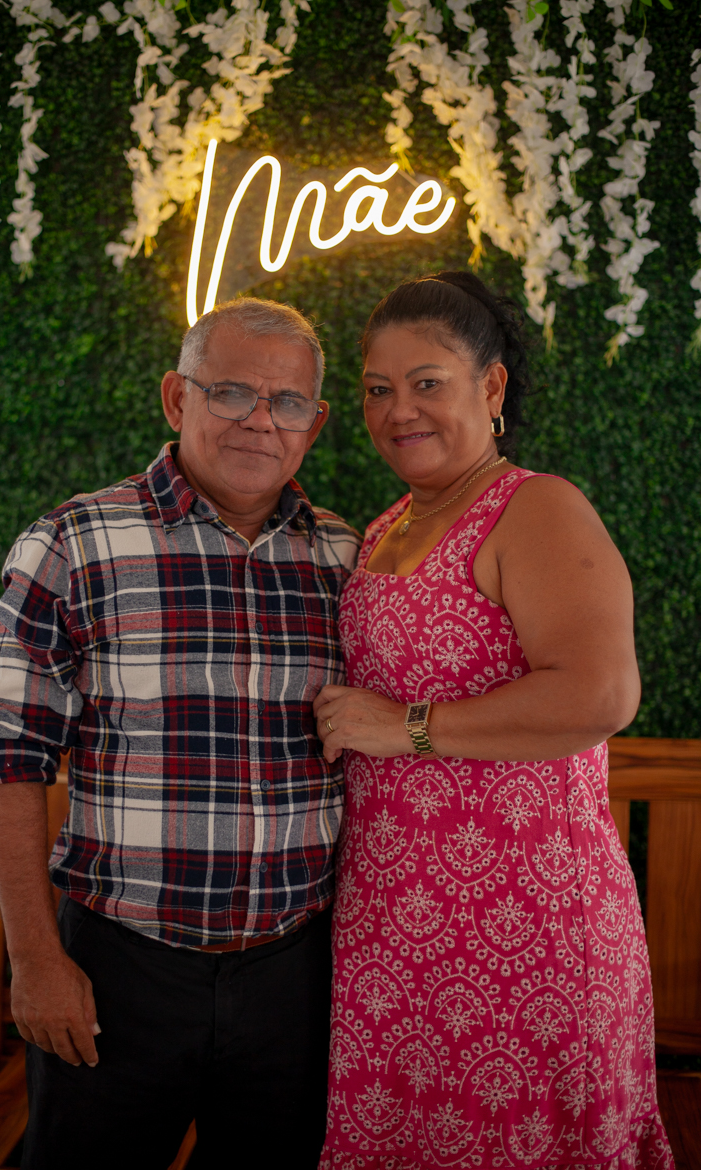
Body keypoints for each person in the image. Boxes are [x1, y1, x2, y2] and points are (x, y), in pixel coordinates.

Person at [0, 298, 361, 1170]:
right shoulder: (75, 543)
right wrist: (35, 960)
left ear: (316, 421)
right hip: (118, 969)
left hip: (297, 975)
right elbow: (8, 752)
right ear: (177, 398)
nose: (261, 420)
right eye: (231, 392)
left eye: (288, 402)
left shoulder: (345, 558)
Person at [314, 272, 673, 1170]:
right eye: (378, 388)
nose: (399, 410)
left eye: (426, 382)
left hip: (524, 923)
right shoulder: (386, 527)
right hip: (392, 924)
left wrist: (405, 727)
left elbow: (598, 695)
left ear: (493, 386)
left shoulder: (536, 507)